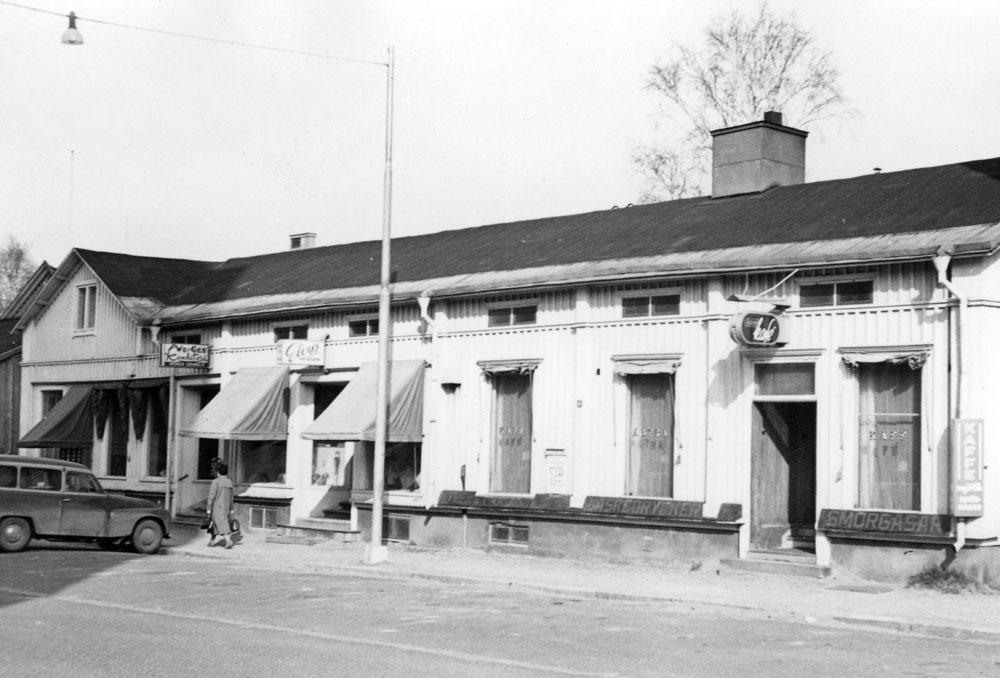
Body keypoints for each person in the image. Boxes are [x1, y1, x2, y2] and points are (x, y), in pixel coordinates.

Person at [206, 462, 235, 549]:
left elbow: (211, 496)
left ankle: (228, 540)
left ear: (218, 473)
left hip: (217, 507)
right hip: (226, 507)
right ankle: (211, 542)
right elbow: (231, 497)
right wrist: (231, 508)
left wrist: (208, 508)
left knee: (219, 523)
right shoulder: (229, 482)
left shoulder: (216, 482)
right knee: (215, 523)